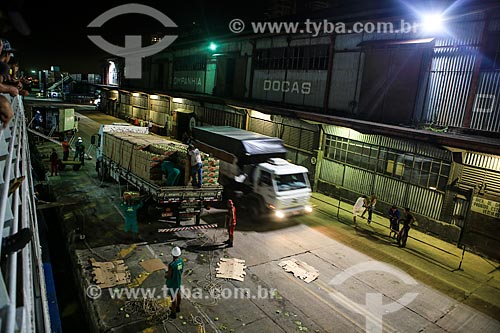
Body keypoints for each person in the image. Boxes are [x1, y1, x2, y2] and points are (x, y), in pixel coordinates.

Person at [165, 246, 184, 319]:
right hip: (178, 281)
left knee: (173, 298)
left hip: (172, 283)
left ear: (172, 254)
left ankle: (173, 313)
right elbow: (181, 271)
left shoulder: (171, 265)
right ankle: (178, 307)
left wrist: (166, 275)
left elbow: (169, 276)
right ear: (179, 254)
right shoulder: (181, 261)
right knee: (178, 293)